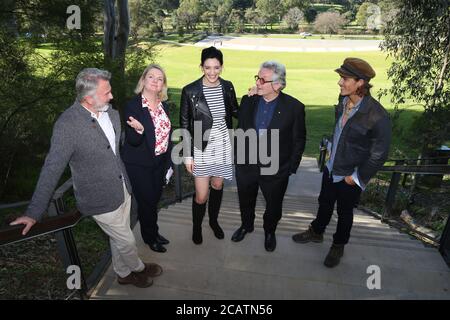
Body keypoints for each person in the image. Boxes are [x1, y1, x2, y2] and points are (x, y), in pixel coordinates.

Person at [10, 68, 162, 288]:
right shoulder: (67, 125)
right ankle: (138, 268)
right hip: (99, 199)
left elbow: (115, 148)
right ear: (88, 98)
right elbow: (51, 168)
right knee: (127, 240)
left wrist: (136, 134)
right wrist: (34, 212)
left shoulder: (111, 113)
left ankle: (122, 273)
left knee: (118, 238)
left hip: (122, 189)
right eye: (106, 93)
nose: (112, 96)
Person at [292, 57, 392, 268]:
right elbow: (341, 133)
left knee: (344, 213)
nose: (340, 83)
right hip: (331, 167)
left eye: (345, 79)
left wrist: (355, 178)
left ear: (360, 83)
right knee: (324, 203)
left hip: (349, 176)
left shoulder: (377, 116)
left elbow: (379, 154)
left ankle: (338, 245)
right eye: (341, 78)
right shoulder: (343, 101)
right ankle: (317, 232)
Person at [231, 61, 306, 252]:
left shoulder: (295, 107)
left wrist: (290, 167)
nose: (257, 83)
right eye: (257, 78)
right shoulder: (248, 100)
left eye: (262, 80)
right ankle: (246, 226)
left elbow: (299, 139)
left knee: (273, 205)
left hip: (276, 169)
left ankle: (269, 231)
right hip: (246, 166)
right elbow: (241, 129)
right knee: (245, 200)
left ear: (278, 84)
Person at [180, 46, 238, 245]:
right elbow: (185, 124)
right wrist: (188, 155)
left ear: (222, 67)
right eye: (207, 67)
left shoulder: (228, 86)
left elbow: (237, 112)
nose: (212, 72)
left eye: (216, 67)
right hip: (201, 148)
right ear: (201, 67)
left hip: (223, 145)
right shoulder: (190, 91)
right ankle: (197, 227)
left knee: (218, 184)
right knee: (201, 195)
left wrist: (254, 96)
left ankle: (213, 222)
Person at [121, 64, 173, 253]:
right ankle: (150, 237)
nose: (155, 81)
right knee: (147, 202)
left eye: (160, 79)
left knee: (155, 199)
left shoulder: (163, 105)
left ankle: (154, 231)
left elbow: (166, 135)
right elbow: (133, 141)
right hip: (139, 164)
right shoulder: (133, 106)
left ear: (163, 85)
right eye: (151, 77)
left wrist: (168, 162)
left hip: (159, 162)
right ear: (143, 80)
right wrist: (140, 130)